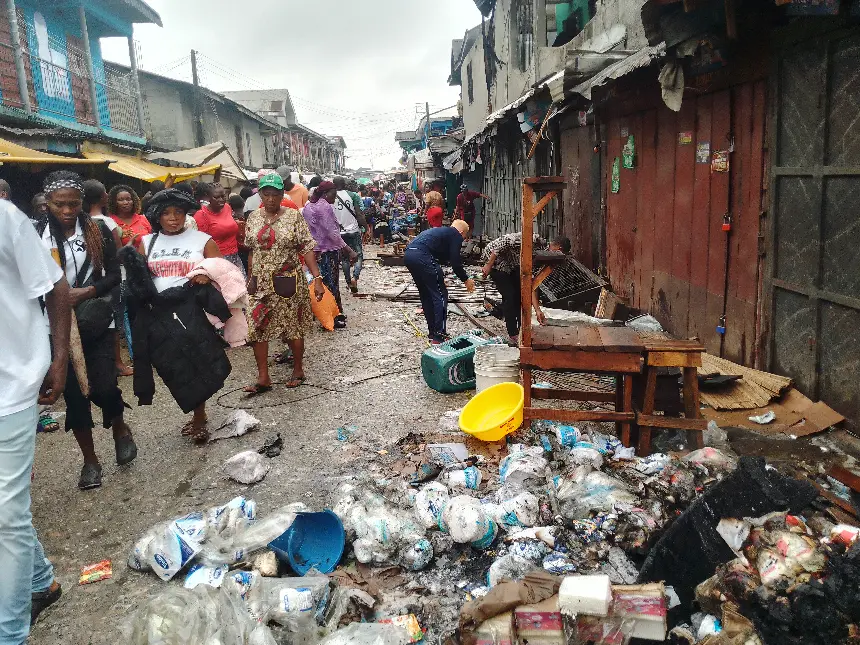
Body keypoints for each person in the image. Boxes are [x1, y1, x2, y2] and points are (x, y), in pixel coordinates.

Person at [0, 196, 70, 643]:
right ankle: (42, 579)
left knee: (7, 515)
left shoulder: (6, 218)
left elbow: (56, 288)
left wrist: (59, 358)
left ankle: (10, 634)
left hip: (11, 387)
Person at [41, 171, 137, 490]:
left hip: (94, 319)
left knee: (103, 388)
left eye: (73, 204)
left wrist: (85, 292)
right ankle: (90, 461)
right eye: (59, 204)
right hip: (56, 327)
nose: (67, 211)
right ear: (47, 202)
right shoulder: (36, 234)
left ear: (83, 202)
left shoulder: (98, 230)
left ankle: (120, 427)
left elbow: (114, 276)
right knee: (74, 397)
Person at [127, 188, 230, 443]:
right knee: (173, 365)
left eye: (178, 212)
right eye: (166, 213)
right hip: (158, 313)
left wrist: (207, 274)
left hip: (189, 309)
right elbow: (139, 279)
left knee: (196, 360)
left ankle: (199, 416)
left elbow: (224, 271)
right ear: (157, 216)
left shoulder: (202, 240)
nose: (173, 218)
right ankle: (195, 409)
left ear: (186, 215)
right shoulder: (146, 243)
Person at [244, 173, 325, 392]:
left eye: (275, 194)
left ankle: (298, 369)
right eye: (266, 194)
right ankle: (263, 378)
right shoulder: (253, 217)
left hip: (287, 281)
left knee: (293, 327)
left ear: (282, 195)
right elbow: (253, 250)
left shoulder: (293, 217)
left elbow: (306, 247)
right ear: (260, 194)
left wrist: (317, 279)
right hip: (260, 283)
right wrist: (250, 277)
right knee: (257, 327)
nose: (270, 199)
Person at [84, 180, 132, 377]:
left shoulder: (82, 221)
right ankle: (118, 363)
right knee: (113, 322)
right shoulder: (107, 222)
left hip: (88, 281)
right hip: (110, 279)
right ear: (103, 197)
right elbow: (117, 251)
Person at [404, 220, 475, 344]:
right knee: (441, 296)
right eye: (464, 237)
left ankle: (432, 333)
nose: (462, 240)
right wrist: (466, 279)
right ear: (462, 232)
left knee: (426, 295)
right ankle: (439, 335)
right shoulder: (455, 235)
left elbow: (443, 257)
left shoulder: (441, 232)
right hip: (422, 256)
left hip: (409, 255)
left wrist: (438, 277)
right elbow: (455, 262)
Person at [302, 180, 356, 329]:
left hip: (315, 251)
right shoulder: (324, 207)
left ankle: (325, 314)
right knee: (331, 284)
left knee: (320, 283)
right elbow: (332, 234)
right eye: (333, 194)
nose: (335, 197)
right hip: (328, 251)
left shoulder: (309, 206)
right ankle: (336, 315)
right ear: (325, 194)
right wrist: (348, 249)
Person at [193, 183, 245, 276]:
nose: (221, 200)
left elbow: (228, 225)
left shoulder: (227, 207)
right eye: (216, 197)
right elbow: (201, 243)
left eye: (223, 196)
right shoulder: (201, 215)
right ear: (208, 198)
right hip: (217, 260)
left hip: (235, 256)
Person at [333, 176, 368, 295]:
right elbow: (359, 214)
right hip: (353, 230)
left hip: (340, 233)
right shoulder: (353, 195)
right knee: (358, 255)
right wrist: (366, 228)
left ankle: (348, 282)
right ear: (344, 184)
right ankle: (355, 278)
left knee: (344, 259)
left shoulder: (329, 197)